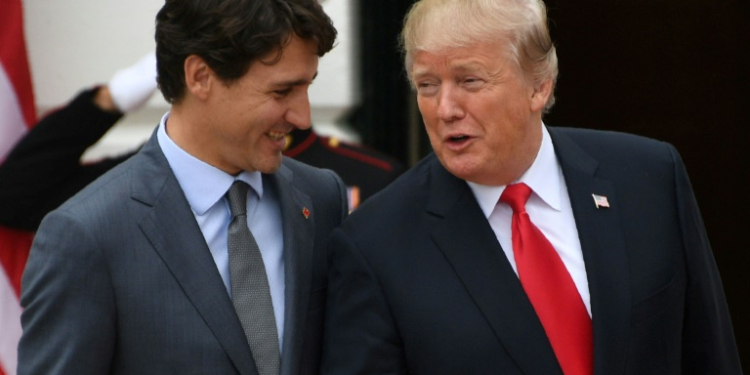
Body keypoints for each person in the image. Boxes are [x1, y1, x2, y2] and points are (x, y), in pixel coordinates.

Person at [320, 0, 742, 374]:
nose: (445, 108)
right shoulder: (376, 243)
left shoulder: (648, 178)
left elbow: (709, 354)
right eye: (427, 85)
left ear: (539, 85)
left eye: (469, 81)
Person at [18, 1, 344, 374]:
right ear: (200, 76)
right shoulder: (89, 234)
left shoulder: (321, 198)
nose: (302, 116)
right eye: (281, 91)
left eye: (306, 87)